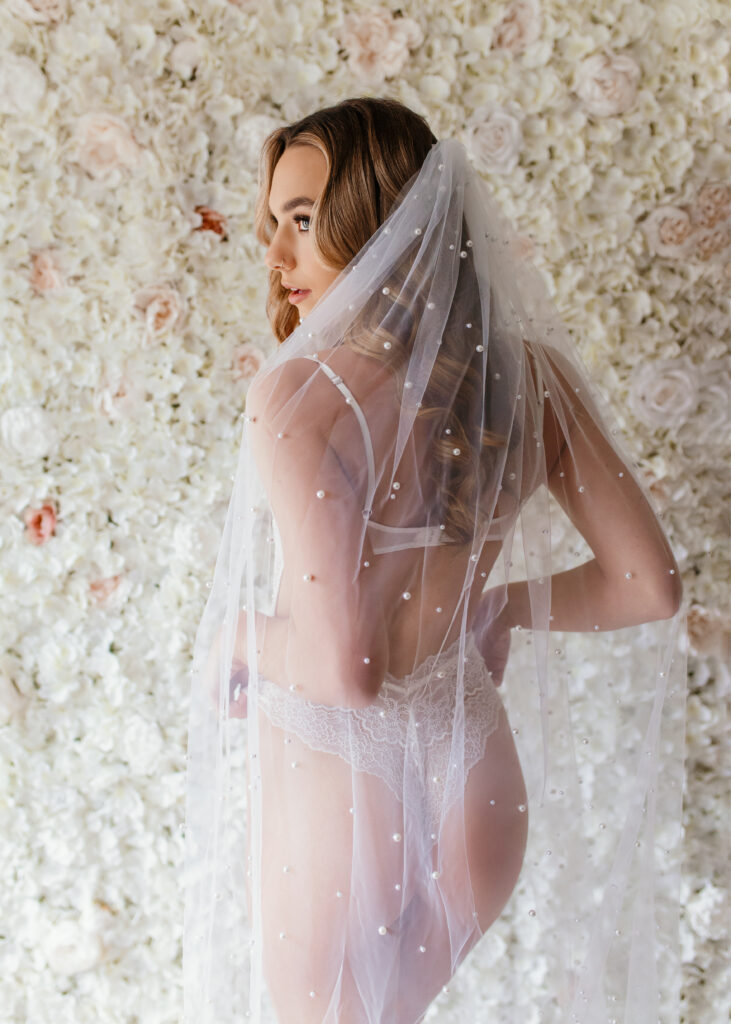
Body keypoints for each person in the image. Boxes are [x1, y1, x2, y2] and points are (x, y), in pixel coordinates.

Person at [183, 97, 687, 1024]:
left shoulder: (300, 399)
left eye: (303, 221)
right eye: (273, 225)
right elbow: (649, 587)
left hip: (340, 777)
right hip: (475, 773)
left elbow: (348, 671)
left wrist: (239, 639)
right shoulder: (535, 379)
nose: (276, 257)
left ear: (382, 219)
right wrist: (497, 609)